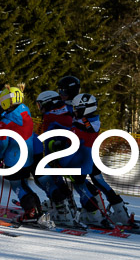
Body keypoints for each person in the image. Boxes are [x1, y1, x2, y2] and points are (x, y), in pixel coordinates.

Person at [56, 93, 136, 227]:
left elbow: (72, 146)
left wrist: (60, 162)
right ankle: (120, 212)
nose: (75, 112)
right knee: (100, 183)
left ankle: (95, 215)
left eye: (77, 109)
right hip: (92, 158)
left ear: (84, 109)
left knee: (80, 186)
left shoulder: (79, 126)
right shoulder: (93, 121)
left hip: (80, 160)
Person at [0, 86, 52, 228]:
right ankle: (36, 209)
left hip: (13, 158)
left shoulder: (6, 122)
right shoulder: (25, 111)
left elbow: (2, 143)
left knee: (17, 185)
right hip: (28, 156)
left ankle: (31, 212)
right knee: (23, 184)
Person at [33, 91, 78, 226]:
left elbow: (48, 138)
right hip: (69, 153)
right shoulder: (66, 110)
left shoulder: (50, 116)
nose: (39, 108)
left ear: (48, 102)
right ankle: (68, 205)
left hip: (58, 154)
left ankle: (61, 209)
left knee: (43, 179)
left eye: (40, 105)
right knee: (60, 180)